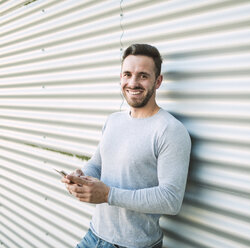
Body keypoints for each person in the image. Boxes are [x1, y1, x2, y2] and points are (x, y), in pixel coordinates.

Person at [61, 44, 191, 248]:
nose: (133, 82)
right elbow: (98, 164)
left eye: (143, 76)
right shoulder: (113, 120)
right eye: (127, 74)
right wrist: (80, 176)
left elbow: (170, 199)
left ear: (158, 81)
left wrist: (108, 195)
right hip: (94, 235)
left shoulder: (170, 130)